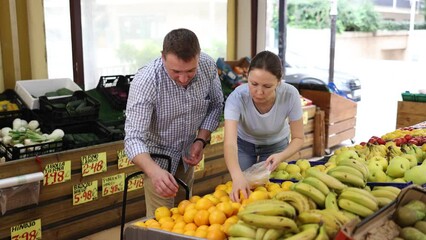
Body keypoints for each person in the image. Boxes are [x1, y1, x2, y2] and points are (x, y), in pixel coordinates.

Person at [124, 28, 224, 217]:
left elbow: (216, 106)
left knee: (188, 218)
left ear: (199, 56)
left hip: (187, 156)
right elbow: (133, 139)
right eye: (176, 71)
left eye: (190, 70)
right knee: (162, 224)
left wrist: (200, 140)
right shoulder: (147, 80)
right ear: (163, 57)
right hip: (157, 160)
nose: (184, 78)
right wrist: (154, 172)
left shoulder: (208, 66)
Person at [223, 50, 304, 202]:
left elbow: (299, 138)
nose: (259, 92)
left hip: (277, 147)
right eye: (253, 84)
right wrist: (237, 176)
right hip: (243, 145)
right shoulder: (237, 97)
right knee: (242, 190)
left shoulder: (290, 94)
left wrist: (281, 156)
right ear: (247, 76)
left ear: (279, 82)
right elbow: (229, 143)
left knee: (272, 194)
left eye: (267, 86)